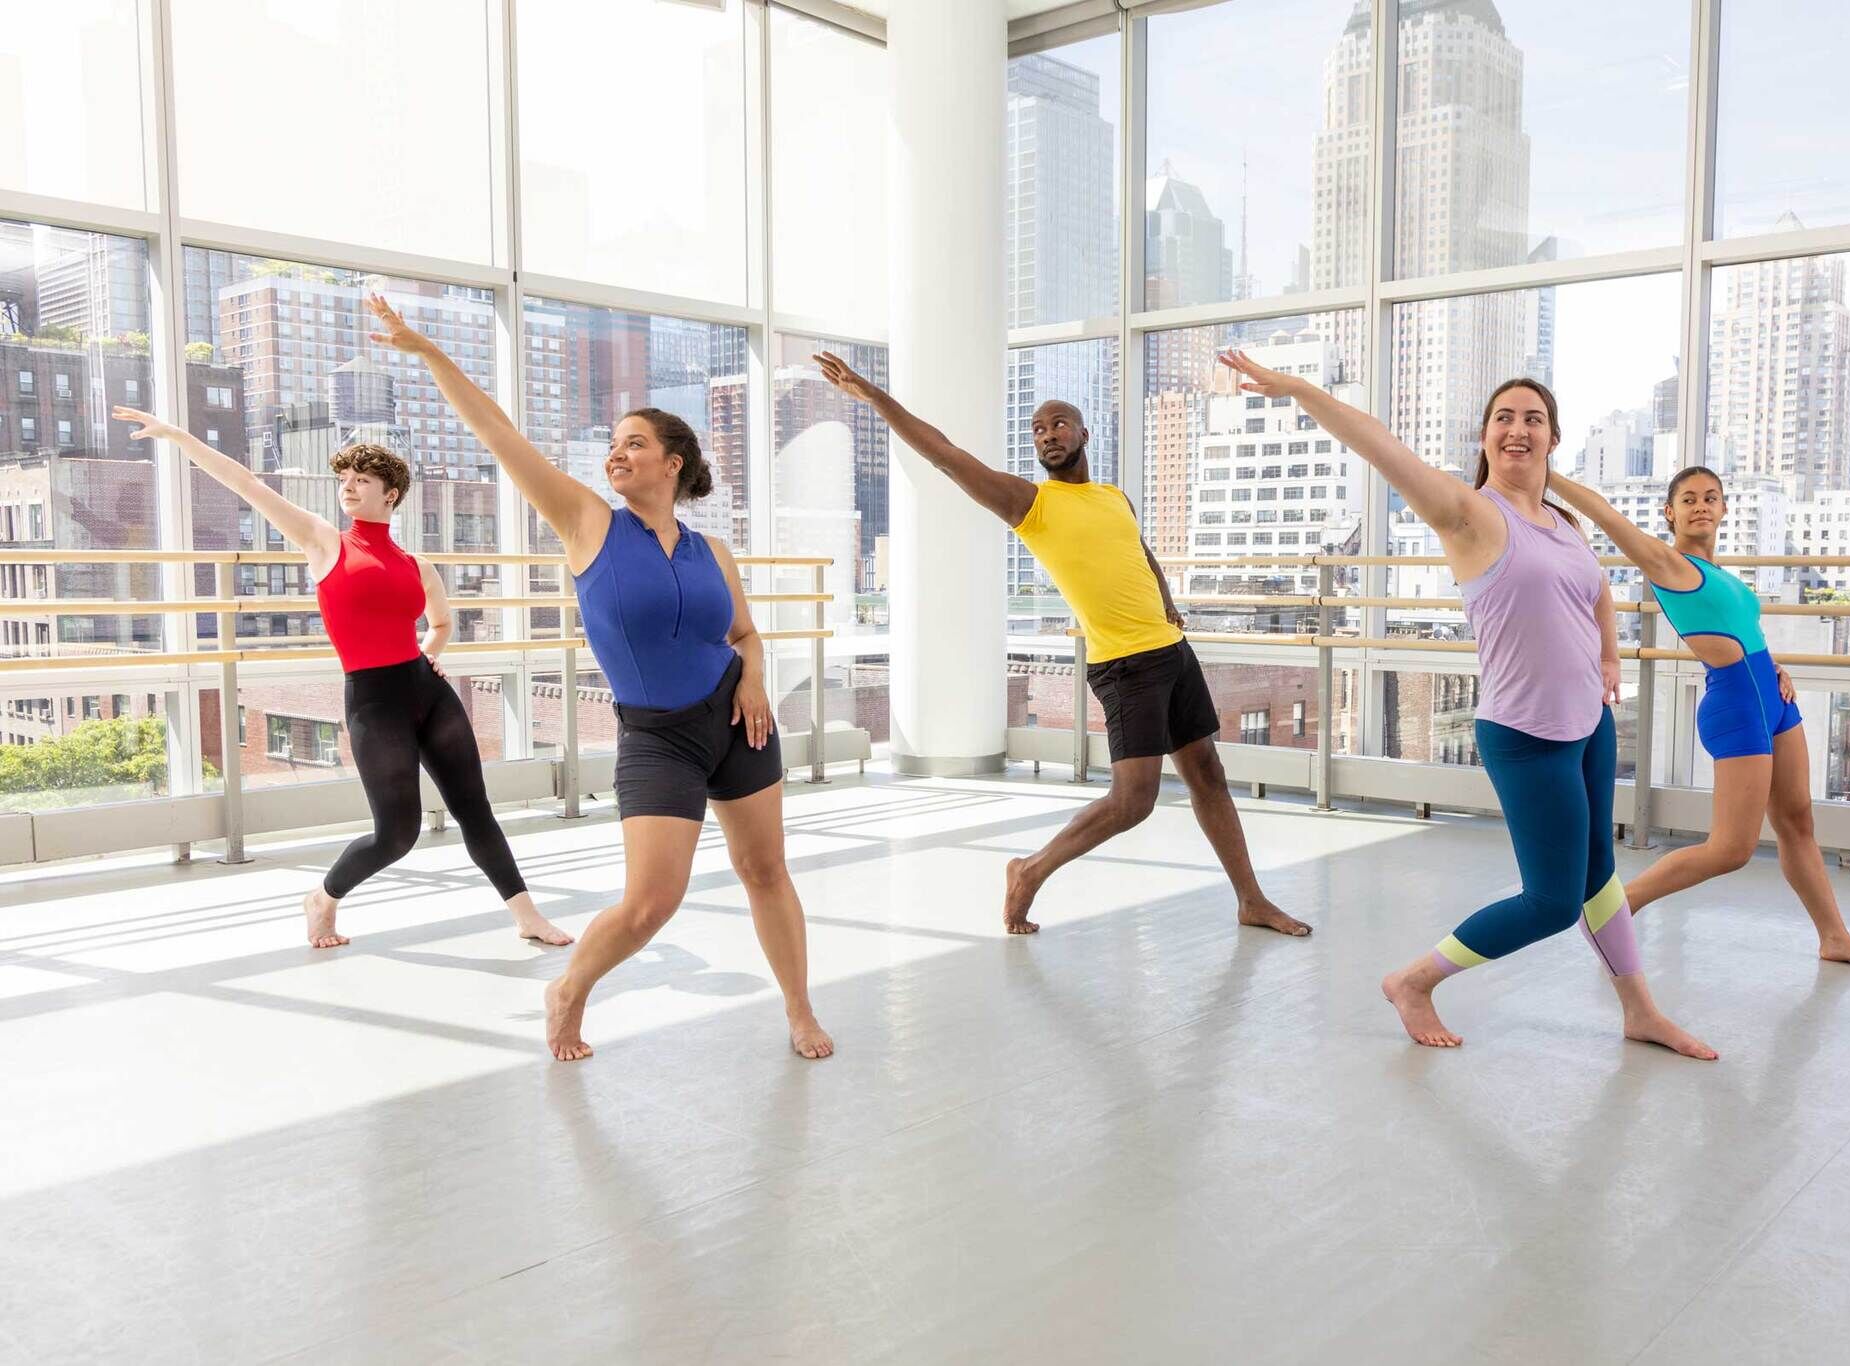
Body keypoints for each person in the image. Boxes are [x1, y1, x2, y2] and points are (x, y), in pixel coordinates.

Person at [366, 295, 832, 1062]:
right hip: (658, 737)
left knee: (766, 869)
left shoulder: (712, 549)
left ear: (672, 464)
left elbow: (745, 634)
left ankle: (798, 1009)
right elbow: (498, 434)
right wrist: (429, 354)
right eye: (612, 444)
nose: (615, 455)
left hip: (738, 721)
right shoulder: (588, 521)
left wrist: (753, 677)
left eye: (633, 443)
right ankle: (571, 988)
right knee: (651, 904)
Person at [1214, 357, 1715, 1057]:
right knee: (1552, 902)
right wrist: (1299, 391)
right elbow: (1380, 445)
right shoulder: (1470, 514)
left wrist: (1607, 656)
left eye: (1532, 419)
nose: (1518, 430)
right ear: (1485, 438)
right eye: (1503, 419)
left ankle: (1639, 1011)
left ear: (1553, 437)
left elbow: (1597, 589)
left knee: (1599, 875)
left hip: (1589, 725)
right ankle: (1414, 980)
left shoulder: (1563, 524)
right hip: (1525, 733)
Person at [812, 351, 1309, 938]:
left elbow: (1137, 550)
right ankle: (1029, 870)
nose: (1047, 435)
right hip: (1125, 667)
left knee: (1209, 775)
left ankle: (1251, 900)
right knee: (1133, 803)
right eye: (1038, 430)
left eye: (1058, 424)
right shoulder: (1032, 505)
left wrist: (1167, 601)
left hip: (1171, 652)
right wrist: (876, 397)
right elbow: (945, 455)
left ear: (1083, 433)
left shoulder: (1113, 497)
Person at [112, 406, 571, 951]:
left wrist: (429, 654)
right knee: (395, 835)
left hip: (427, 690)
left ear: (390, 494)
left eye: (362, 481)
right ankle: (324, 898)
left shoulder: (415, 564)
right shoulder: (325, 541)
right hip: (374, 701)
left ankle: (526, 916)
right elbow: (246, 481)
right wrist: (177, 433)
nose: (348, 488)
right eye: (344, 481)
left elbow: (442, 622)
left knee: (476, 809)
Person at [1545, 465, 1850, 973]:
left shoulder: (1723, 576)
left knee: (1798, 823)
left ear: (1725, 509)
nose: (1701, 506)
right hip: (1735, 706)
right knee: (1731, 849)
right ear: (1669, 513)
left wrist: (1774, 664)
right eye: (1688, 499)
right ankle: (1610, 911)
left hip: (1773, 700)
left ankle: (1835, 937)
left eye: (1711, 497)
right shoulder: (1667, 563)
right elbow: (1602, 512)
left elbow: (1738, 630)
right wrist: (1546, 473)